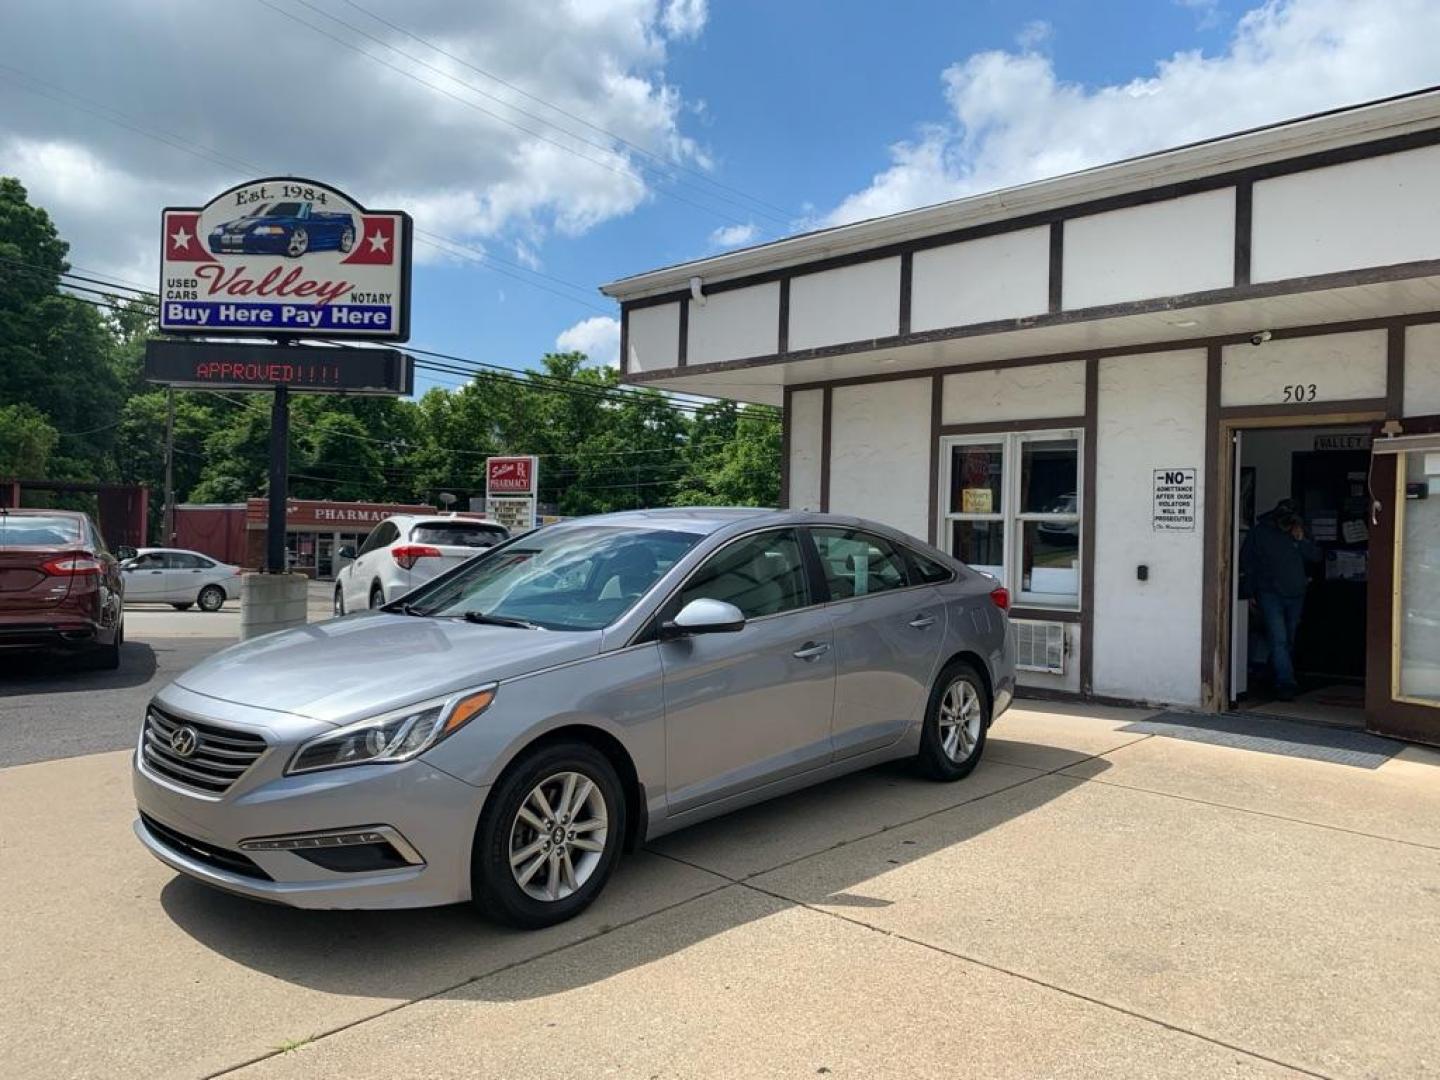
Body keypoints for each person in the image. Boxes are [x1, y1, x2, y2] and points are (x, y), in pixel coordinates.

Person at [1240, 498, 1321, 701]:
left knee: (1287, 640)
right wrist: (1249, 592)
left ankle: (1272, 673)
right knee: (1280, 640)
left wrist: (1301, 540)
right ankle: (1286, 682)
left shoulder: (1299, 529)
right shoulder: (1260, 532)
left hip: (1296, 592)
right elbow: (1247, 562)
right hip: (1270, 592)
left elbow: (1317, 557)